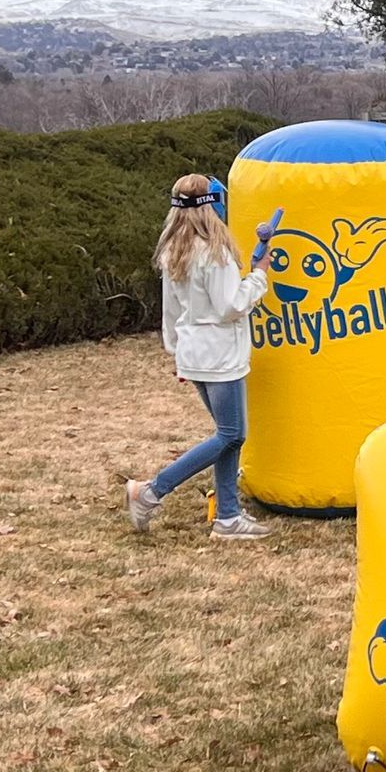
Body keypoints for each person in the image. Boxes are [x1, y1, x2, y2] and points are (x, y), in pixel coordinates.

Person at [125, 174, 275, 540]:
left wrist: (177, 350)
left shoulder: (173, 249)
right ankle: (152, 491)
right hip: (220, 354)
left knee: (228, 435)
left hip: (195, 352)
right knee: (231, 433)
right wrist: (258, 276)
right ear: (212, 205)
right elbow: (230, 306)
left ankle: (228, 516)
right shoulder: (214, 251)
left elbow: (171, 310)